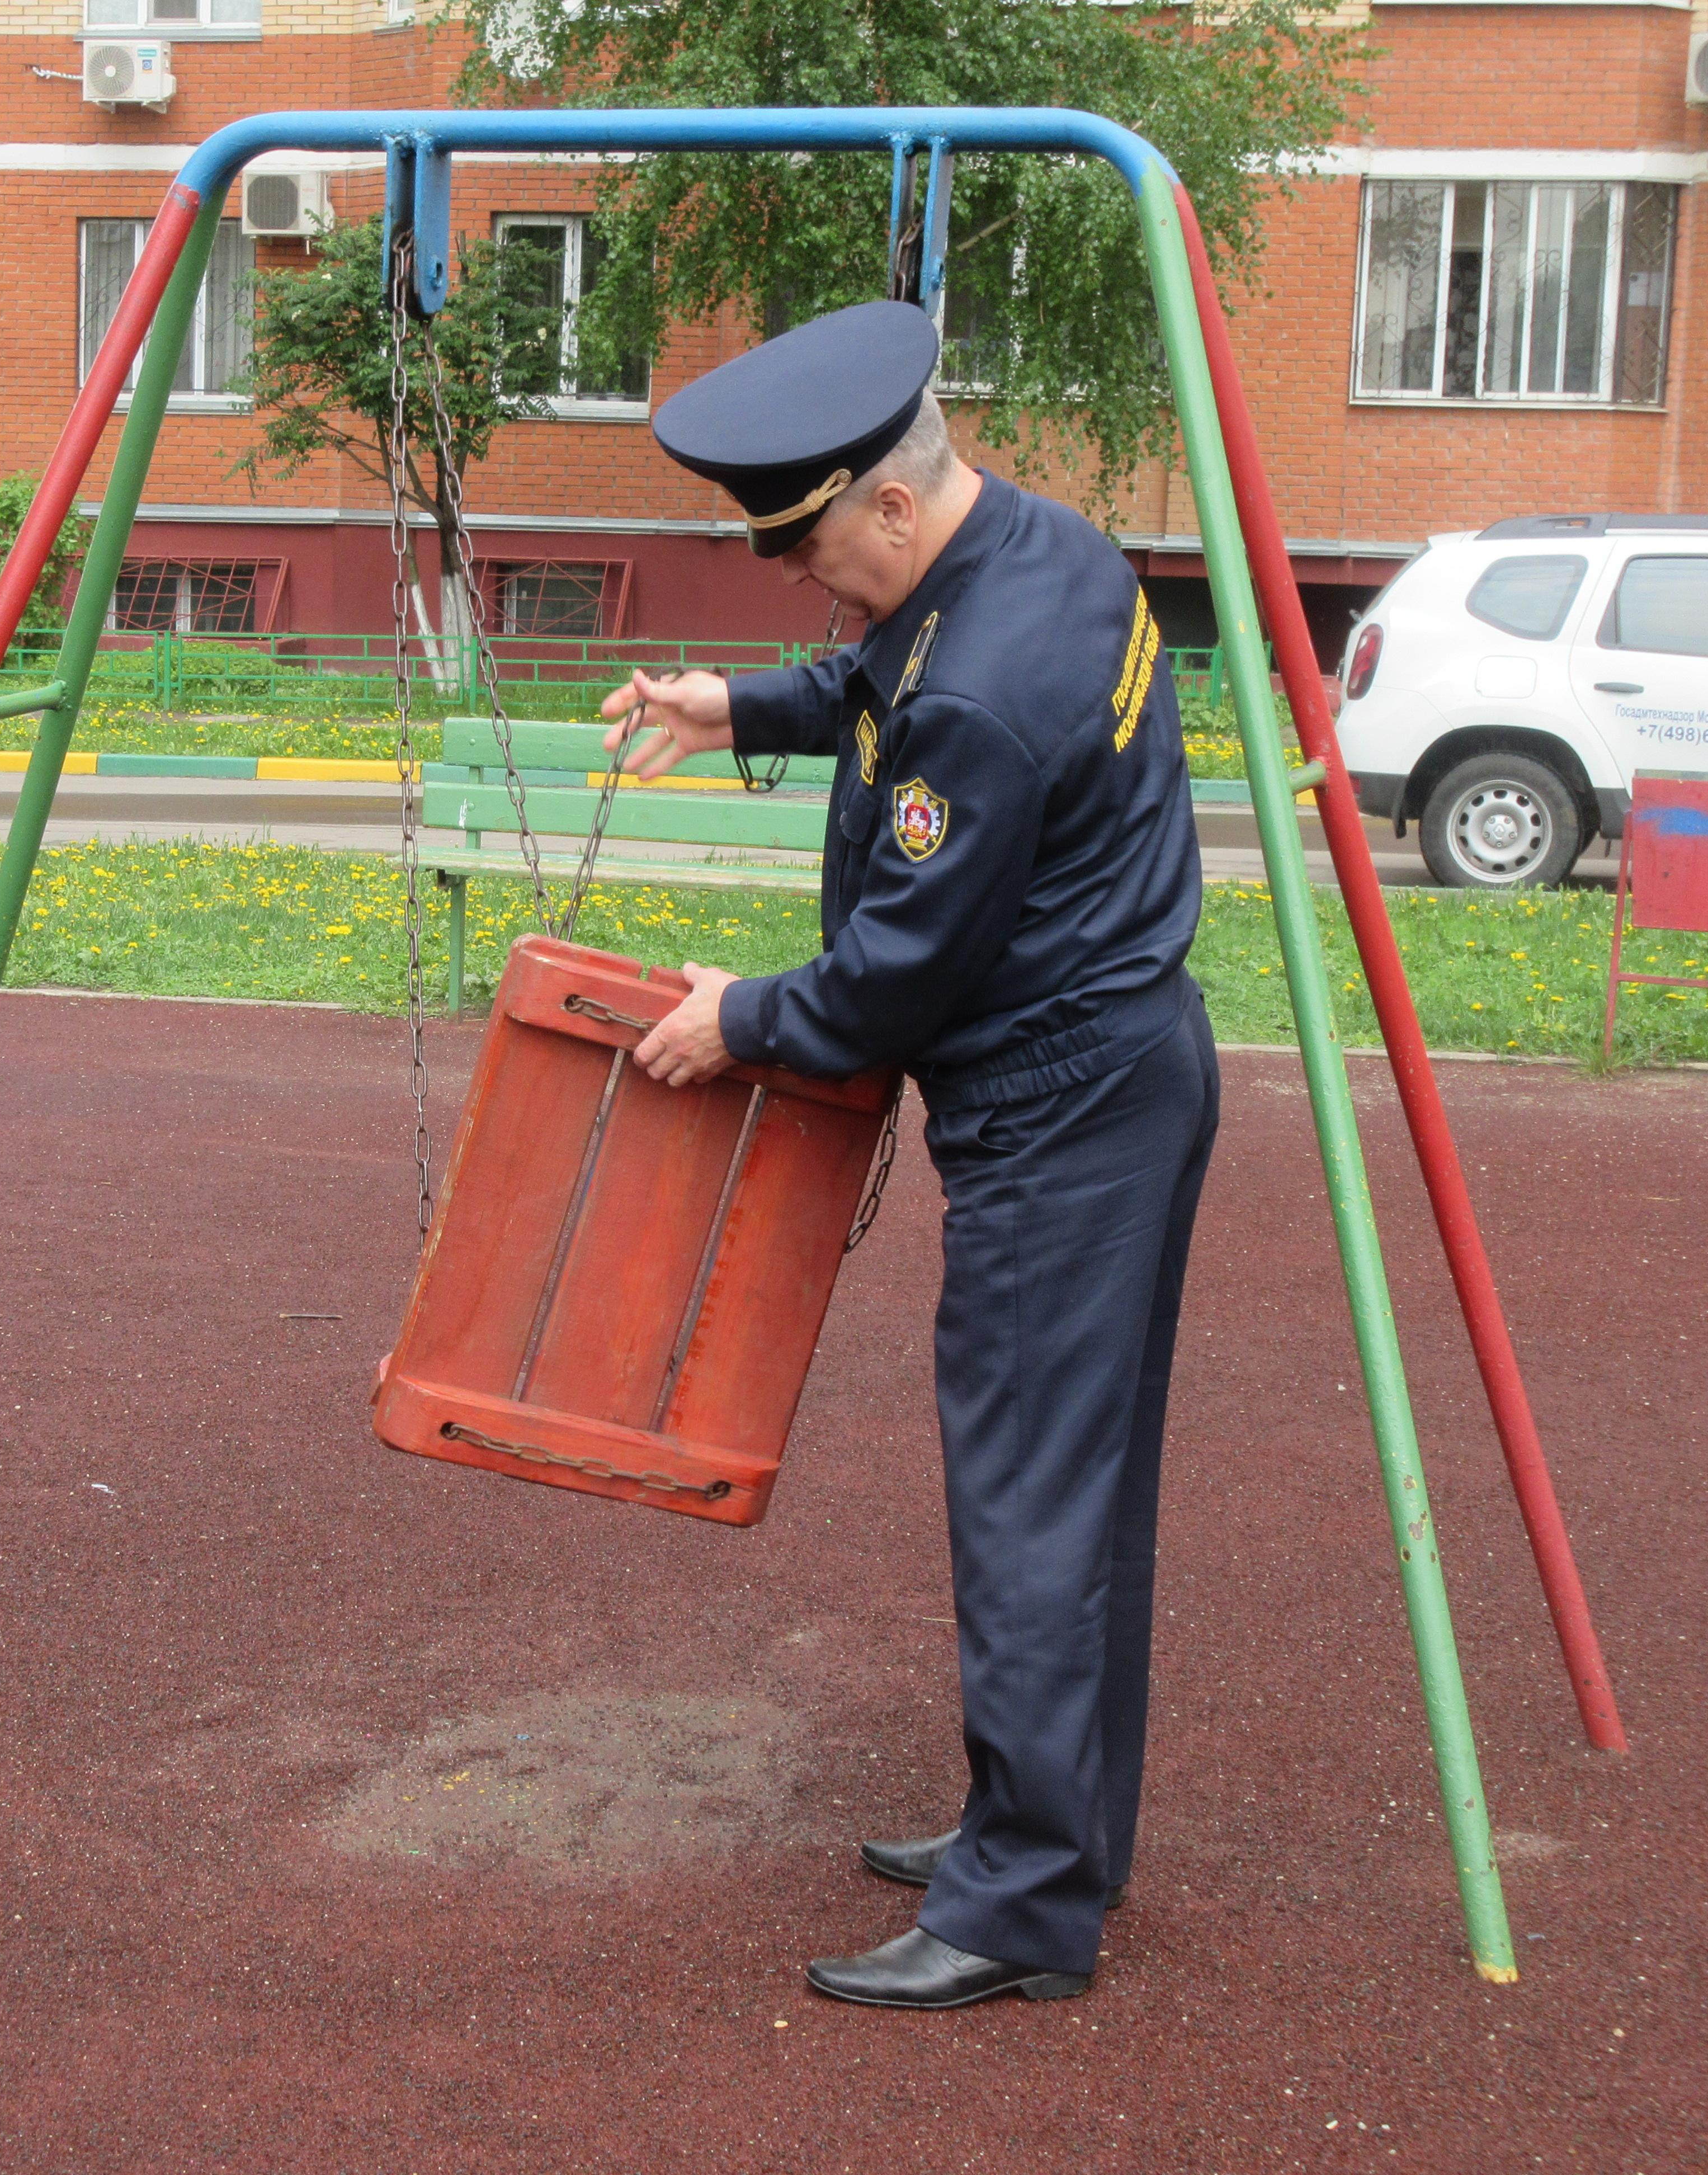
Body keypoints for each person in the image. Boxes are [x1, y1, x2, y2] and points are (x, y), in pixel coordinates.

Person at [599, 300, 1219, 2013]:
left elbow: (895, 978)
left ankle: (1022, 1905)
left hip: (1060, 1110)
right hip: (1124, 1073)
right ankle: (1050, 1827)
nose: (820, 593)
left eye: (818, 558)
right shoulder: (1042, 551)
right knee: (1078, 1494)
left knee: (1030, 1497)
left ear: (884, 500)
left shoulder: (991, 693)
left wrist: (741, 1018)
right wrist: (741, 707)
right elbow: (883, 678)